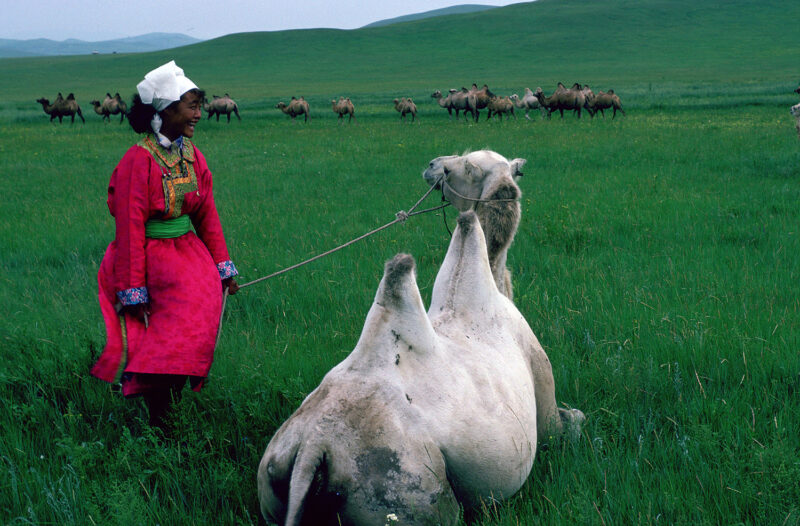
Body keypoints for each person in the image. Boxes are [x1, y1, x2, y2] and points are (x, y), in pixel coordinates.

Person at [91, 60, 239, 430]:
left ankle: (169, 410)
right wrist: (132, 289)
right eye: (192, 107)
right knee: (161, 346)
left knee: (190, 335)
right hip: (151, 265)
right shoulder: (137, 161)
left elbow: (207, 214)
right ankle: (161, 419)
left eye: (199, 106)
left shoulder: (192, 155)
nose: (199, 114)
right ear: (167, 110)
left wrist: (223, 269)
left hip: (189, 259)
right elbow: (128, 228)